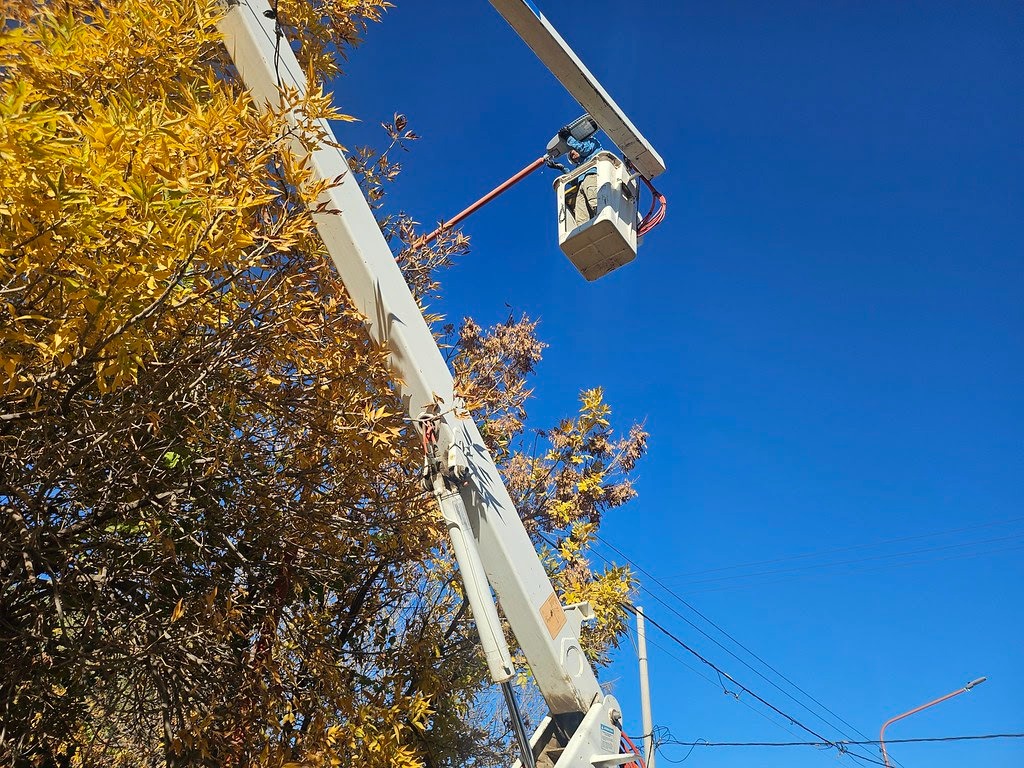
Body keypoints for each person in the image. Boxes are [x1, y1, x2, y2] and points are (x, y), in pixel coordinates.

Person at [559, 127, 603, 227]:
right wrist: (561, 168)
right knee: (581, 212)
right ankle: (584, 230)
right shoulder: (580, 167)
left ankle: (602, 218)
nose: (573, 155)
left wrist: (568, 137)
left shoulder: (591, 142)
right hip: (582, 184)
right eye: (571, 157)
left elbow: (583, 149)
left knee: (594, 201)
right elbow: (573, 180)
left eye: (572, 152)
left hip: (592, 175)